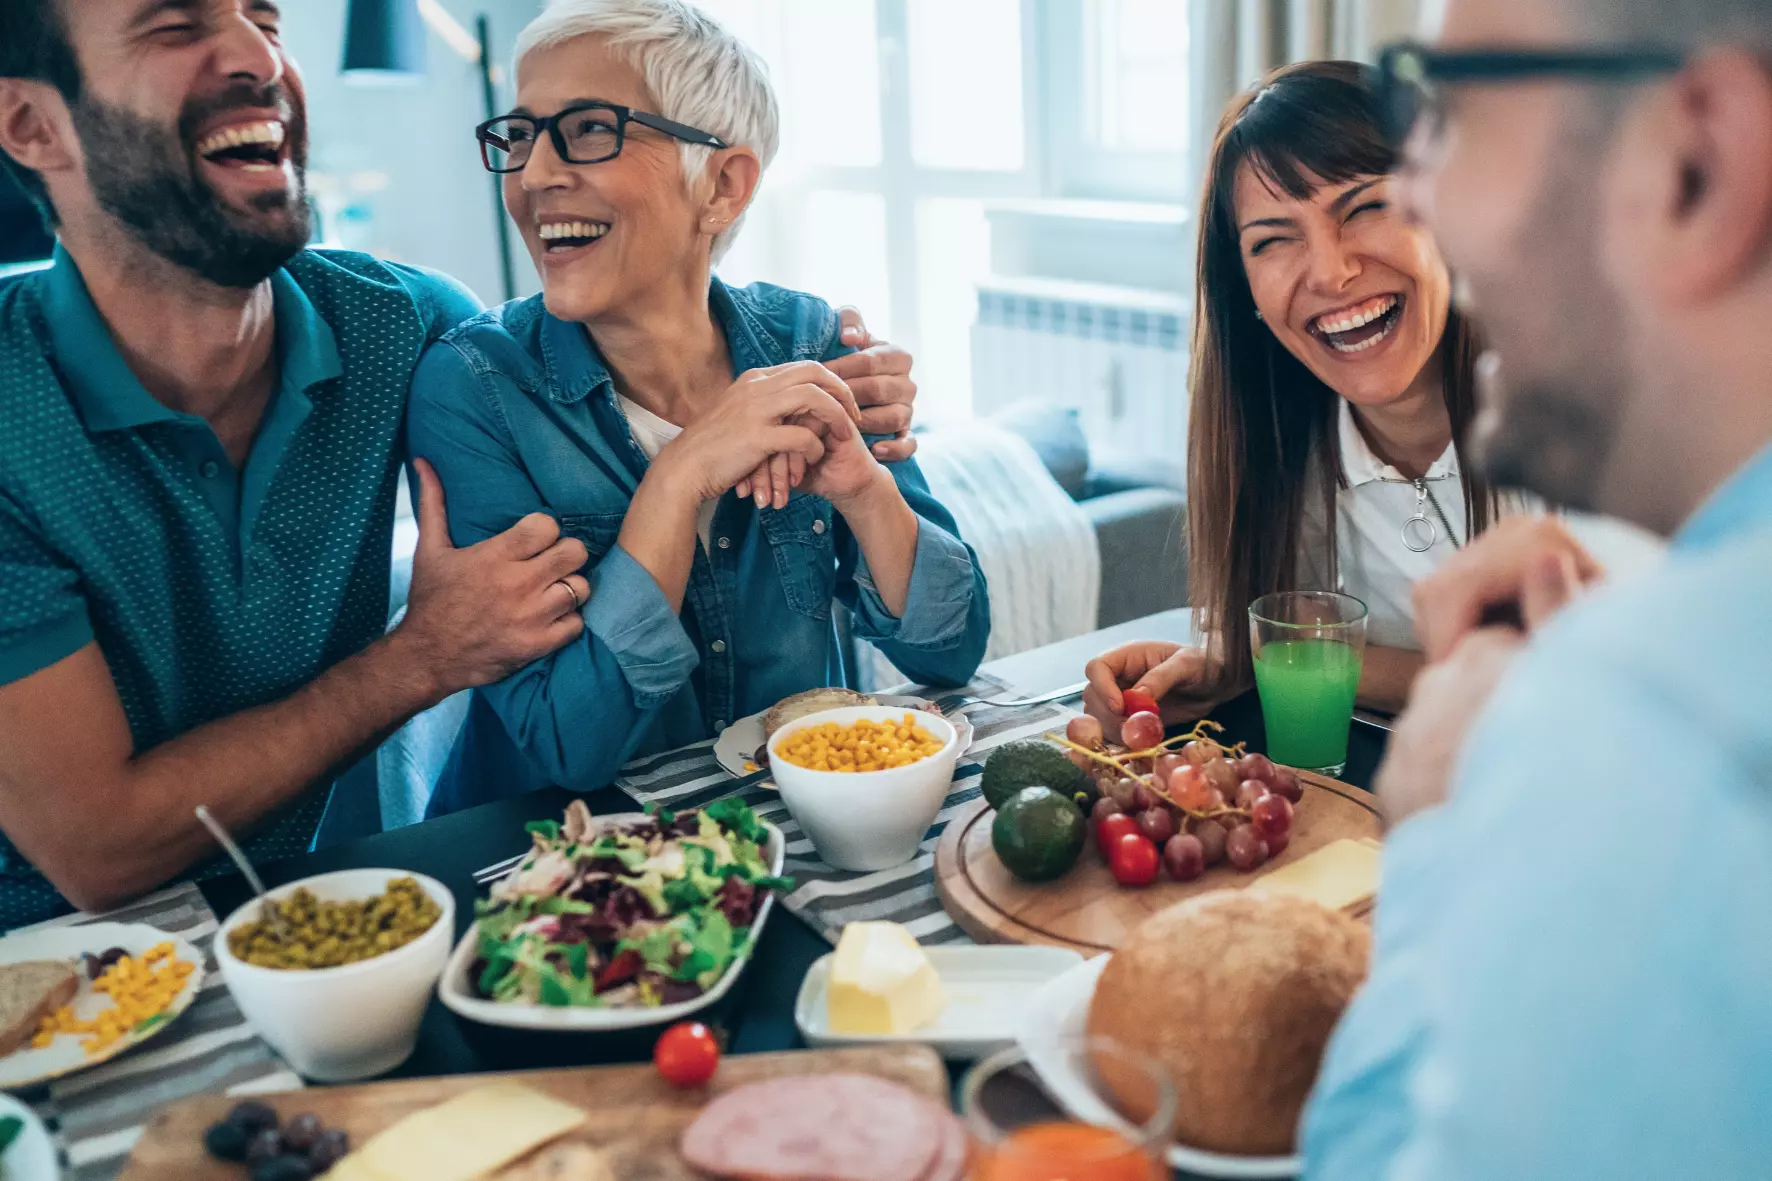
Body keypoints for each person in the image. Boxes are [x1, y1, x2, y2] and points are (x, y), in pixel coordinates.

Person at [0, 0, 915, 929]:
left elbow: (552, 360)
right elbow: (98, 851)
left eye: (268, 20)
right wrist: (420, 657)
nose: (258, 55)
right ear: (31, 125)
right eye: (173, 24)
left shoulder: (404, 325)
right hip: (59, 968)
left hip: (362, 903)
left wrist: (857, 395)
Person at [1300, 0, 1772, 1175]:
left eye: (1448, 110)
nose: (1412, 198)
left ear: (1693, 163)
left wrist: (1440, 836)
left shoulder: (1649, 733)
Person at [408, 0, 990, 811]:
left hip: (792, 838)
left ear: (721, 184)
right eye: (521, 135)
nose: (534, 174)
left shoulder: (810, 340)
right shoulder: (472, 386)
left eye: (586, 130)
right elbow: (567, 744)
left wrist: (863, 488)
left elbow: (951, 650)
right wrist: (679, 478)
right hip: (555, 873)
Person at [1080, 62, 1657, 733]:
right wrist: (1237, 665)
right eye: (1272, 241)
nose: (1330, 271)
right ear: (1247, 295)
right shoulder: (1279, 459)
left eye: (1366, 206)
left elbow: (1619, 694)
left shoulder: (1597, 413)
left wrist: (1277, 657)